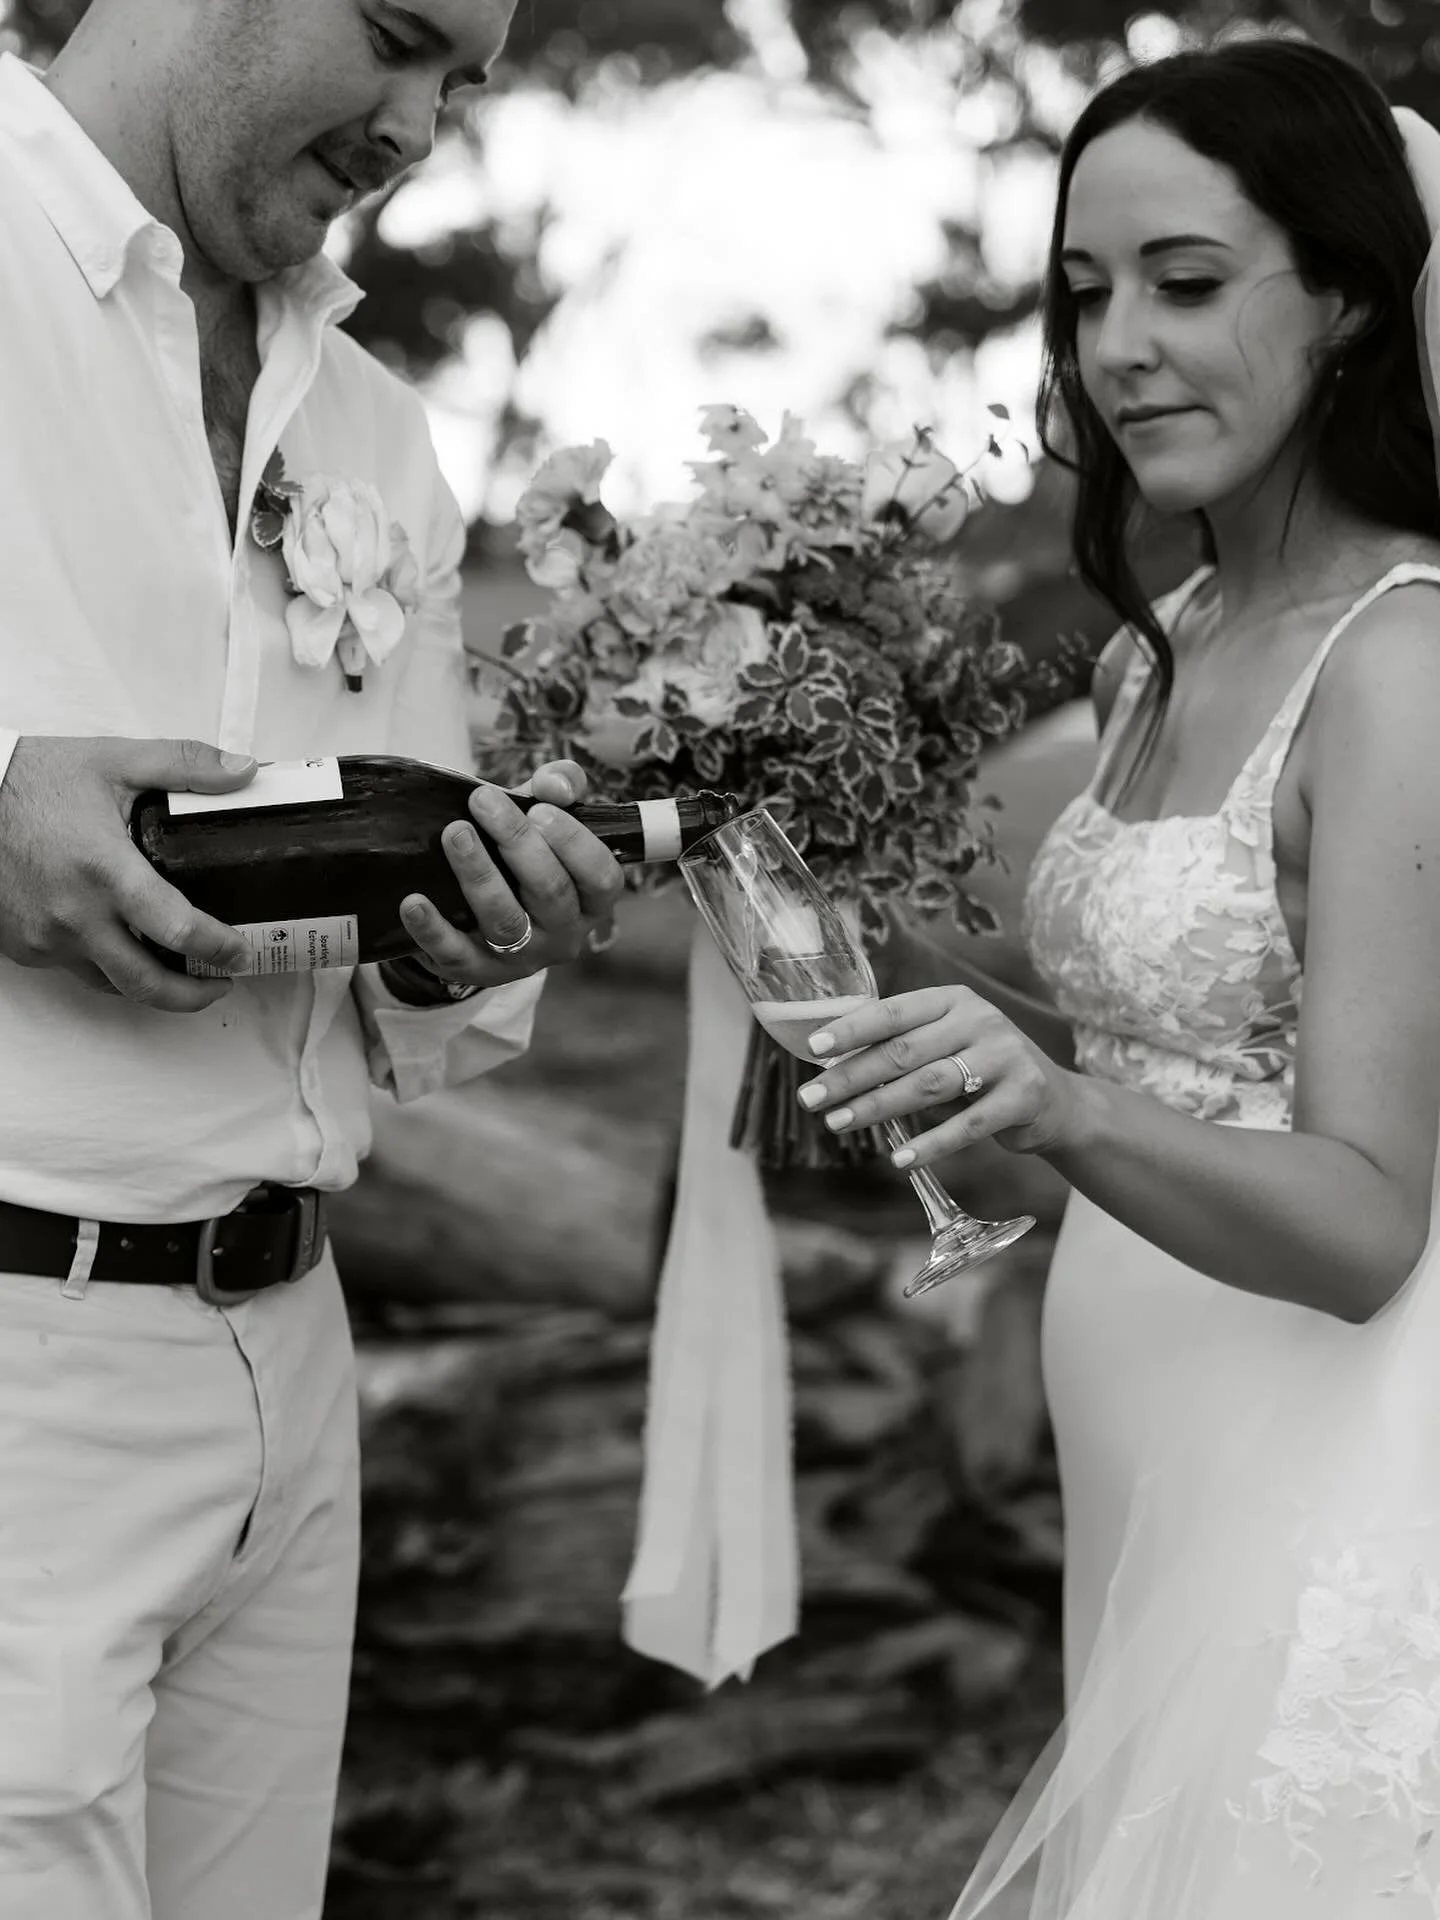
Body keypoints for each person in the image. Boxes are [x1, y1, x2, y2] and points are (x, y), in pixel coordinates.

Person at [798, 38, 1440, 1918]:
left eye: (1187, 280)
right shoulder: (1159, 655)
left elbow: (1367, 1222)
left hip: (1330, 1450)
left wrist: (1058, 1096)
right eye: (1086, 294)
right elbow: (1133, 1093)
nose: (1121, 345)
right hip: (1147, 1447)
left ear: (1342, 300)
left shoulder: (1402, 670)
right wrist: (856, 996)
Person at [0, 3, 625, 1916]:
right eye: (396, 39)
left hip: (292, 1353)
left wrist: (467, 932)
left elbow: (389, 980)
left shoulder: (372, 424)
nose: (422, 126)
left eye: (465, 85)